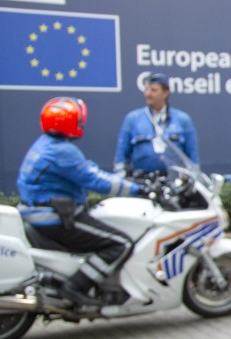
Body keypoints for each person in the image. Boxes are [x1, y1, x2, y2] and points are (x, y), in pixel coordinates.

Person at [17, 97, 142, 306]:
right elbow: (95, 180)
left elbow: (83, 169)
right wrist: (138, 188)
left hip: (40, 213)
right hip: (55, 217)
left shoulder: (45, 144)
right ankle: (76, 286)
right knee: (121, 243)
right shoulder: (62, 151)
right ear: (69, 122)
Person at [114, 72, 198, 175]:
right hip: (143, 182)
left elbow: (192, 157)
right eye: (146, 89)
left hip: (174, 182)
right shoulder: (132, 119)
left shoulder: (183, 120)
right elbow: (121, 156)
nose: (148, 94)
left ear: (165, 92)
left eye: (153, 90)